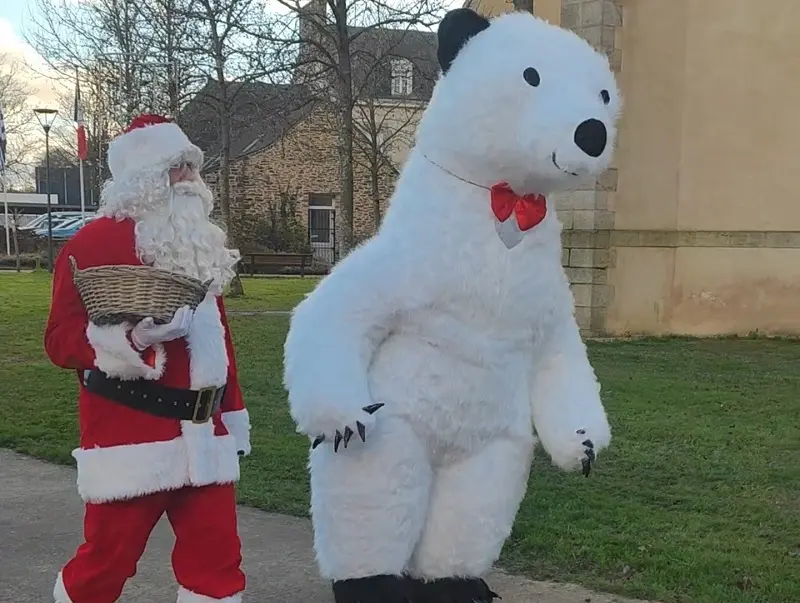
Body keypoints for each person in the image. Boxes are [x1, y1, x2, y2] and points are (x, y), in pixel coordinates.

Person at [45, 113, 251, 603]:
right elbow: (59, 341)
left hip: (206, 438)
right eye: (175, 167)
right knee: (106, 565)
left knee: (218, 571)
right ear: (142, 177)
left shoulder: (199, 245)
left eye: (191, 166)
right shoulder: (92, 245)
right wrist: (131, 338)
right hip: (129, 437)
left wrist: (233, 416)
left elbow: (219, 342)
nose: (188, 178)